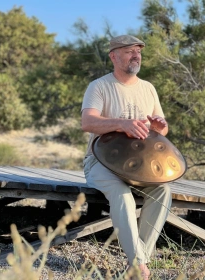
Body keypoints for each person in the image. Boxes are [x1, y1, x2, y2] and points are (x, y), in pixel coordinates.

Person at [81, 35, 172, 280]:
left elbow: (161, 131)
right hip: (100, 162)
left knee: (163, 191)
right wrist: (122, 124)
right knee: (121, 195)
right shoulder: (99, 86)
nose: (136, 56)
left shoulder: (148, 88)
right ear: (113, 56)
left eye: (138, 52)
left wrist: (158, 126)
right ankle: (139, 266)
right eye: (129, 51)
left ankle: (137, 263)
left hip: (137, 166)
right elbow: (87, 122)